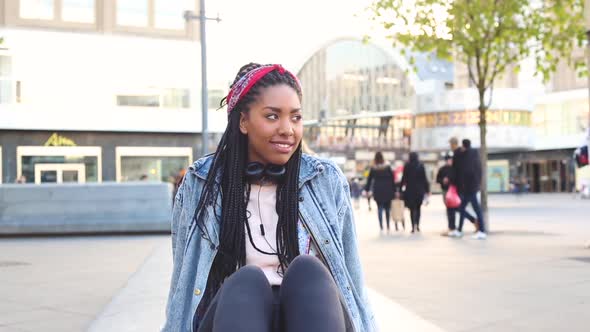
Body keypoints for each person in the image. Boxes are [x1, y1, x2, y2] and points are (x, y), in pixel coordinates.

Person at [163, 63, 375, 332]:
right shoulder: (202, 183)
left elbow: (352, 279)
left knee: (308, 272)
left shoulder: (325, 180)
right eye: (272, 116)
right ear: (243, 121)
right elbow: (184, 279)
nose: (288, 129)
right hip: (234, 314)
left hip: (311, 314)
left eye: (295, 117)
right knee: (246, 281)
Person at [436, 153, 477, 237]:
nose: (450, 161)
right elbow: (438, 179)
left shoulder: (456, 168)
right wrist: (443, 181)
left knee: (459, 209)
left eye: (451, 160)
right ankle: (452, 227)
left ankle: (472, 221)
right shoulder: (442, 169)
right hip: (446, 192)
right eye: (448, 160)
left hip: (456, 192)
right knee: (450, 210)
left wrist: (450, 180)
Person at [455, 139, 487, 240]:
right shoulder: (474, 155)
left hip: (470, 188)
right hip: (472, 187)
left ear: (464, 146)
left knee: (475, 209)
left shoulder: (468, 157)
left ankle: (481, 230)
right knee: (462, 208)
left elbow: (467, 172)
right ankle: (460, 230)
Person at [449, 137, 479, 233]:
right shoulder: (460, 153)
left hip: (461, 186)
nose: (450, 146)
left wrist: (453, 183)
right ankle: (459, 227)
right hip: (462, 185)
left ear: (453, 144)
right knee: (460, 207)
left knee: (460, 207)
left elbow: (457, 170)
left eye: (450, 144)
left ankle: (472, 222)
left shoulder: (458, 153)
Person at [364, 152, 396, 233]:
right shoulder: (387, 167)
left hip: (378, 190)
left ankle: (381, 226)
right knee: (387, 209)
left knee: (379, 208)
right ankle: (388, 225)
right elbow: (392, 179)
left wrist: (367, 189)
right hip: (388, 189)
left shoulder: (374, 168)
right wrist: (394, 190)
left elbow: (369, 180)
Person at [401, 152, 430, 233]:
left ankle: (413, 226)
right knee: (418, 208)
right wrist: (427, 190)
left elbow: (404, 179)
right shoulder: (421, 166)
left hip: (410, 190)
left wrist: (400, 189)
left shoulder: (407, 166)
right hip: (419, 190)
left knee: (411, 209)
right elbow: (424, 179)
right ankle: (418, 225)